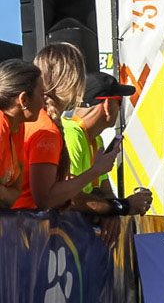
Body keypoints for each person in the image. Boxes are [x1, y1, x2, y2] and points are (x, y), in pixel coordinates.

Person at [14, 44, 118, 211]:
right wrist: (95, 171)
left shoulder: (36, 121)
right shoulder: (46, 129)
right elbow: (46, 199)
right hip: (24, 229)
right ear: (73, 80)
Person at [62, 72, 152, 216]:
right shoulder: (71, 135)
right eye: (120, 102)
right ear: (107, 105)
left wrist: (112, 212)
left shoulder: (96, 140)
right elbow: (70, 199)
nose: (120, 109)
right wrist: (123, 206)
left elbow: (106, 194)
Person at [0, 59, 44, 207]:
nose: (44, 103)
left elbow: (16, 193)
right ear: (23, 99)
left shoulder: (18, 127)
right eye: (42, 94)